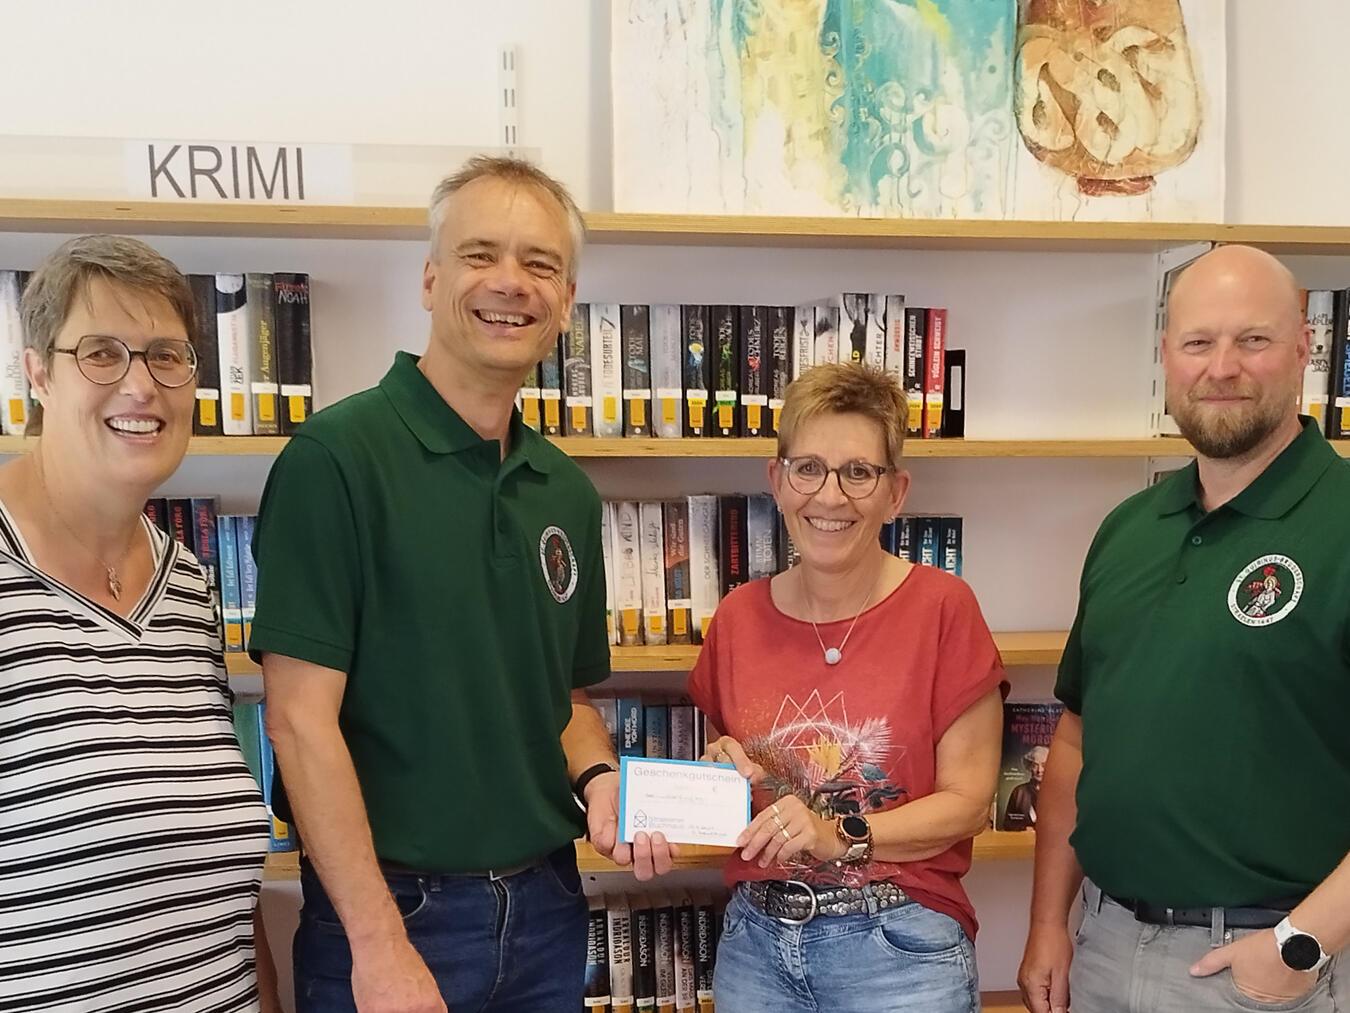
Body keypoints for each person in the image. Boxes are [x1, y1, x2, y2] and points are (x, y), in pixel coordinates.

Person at [250, 156, 674, 1013]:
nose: (511, 283)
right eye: (482, 254)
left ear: (566, 299)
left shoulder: (565, 491)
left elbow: (565, 699)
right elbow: (298, 722)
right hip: (397, 912)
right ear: (432, 276)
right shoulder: (335, 461)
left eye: (541, 264)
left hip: (551, 909)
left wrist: (600, 782)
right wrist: (376, 943)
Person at [1018, 245, 1350, 1013]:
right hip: (1101, 949)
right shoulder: (1127, 528)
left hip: (1264, 967)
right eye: (1199, 342)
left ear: (1305, 346)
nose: (1222, 366)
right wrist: (1046, 922)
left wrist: (1298, 947)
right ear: (1167, 355)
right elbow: (1076, 737)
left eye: (1253, 340)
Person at [0, 235, 280, 1011]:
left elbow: (211, 871)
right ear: (38, 376)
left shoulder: (185, 582)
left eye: (166, 355)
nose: (140, 384)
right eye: (101, 353)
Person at [688, 363, 1005, 1013]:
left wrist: (841, 835)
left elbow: (969, 803)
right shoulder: (737, 618)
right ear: (777, 482)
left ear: (896, 491)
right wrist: (716, 772)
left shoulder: (945, 608)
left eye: (858, 472)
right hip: (756, 944)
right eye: (808, 468)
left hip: (898, 947)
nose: (830, 497)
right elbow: (739, 792)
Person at [1004, 745, 1049, 831]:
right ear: (1029, 767)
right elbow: (1007, 823)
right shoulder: (1019, 792)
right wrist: (1024, 828)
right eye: (1035, 765)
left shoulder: (1058, 792)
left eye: (1044, 765)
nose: (1039, 770)